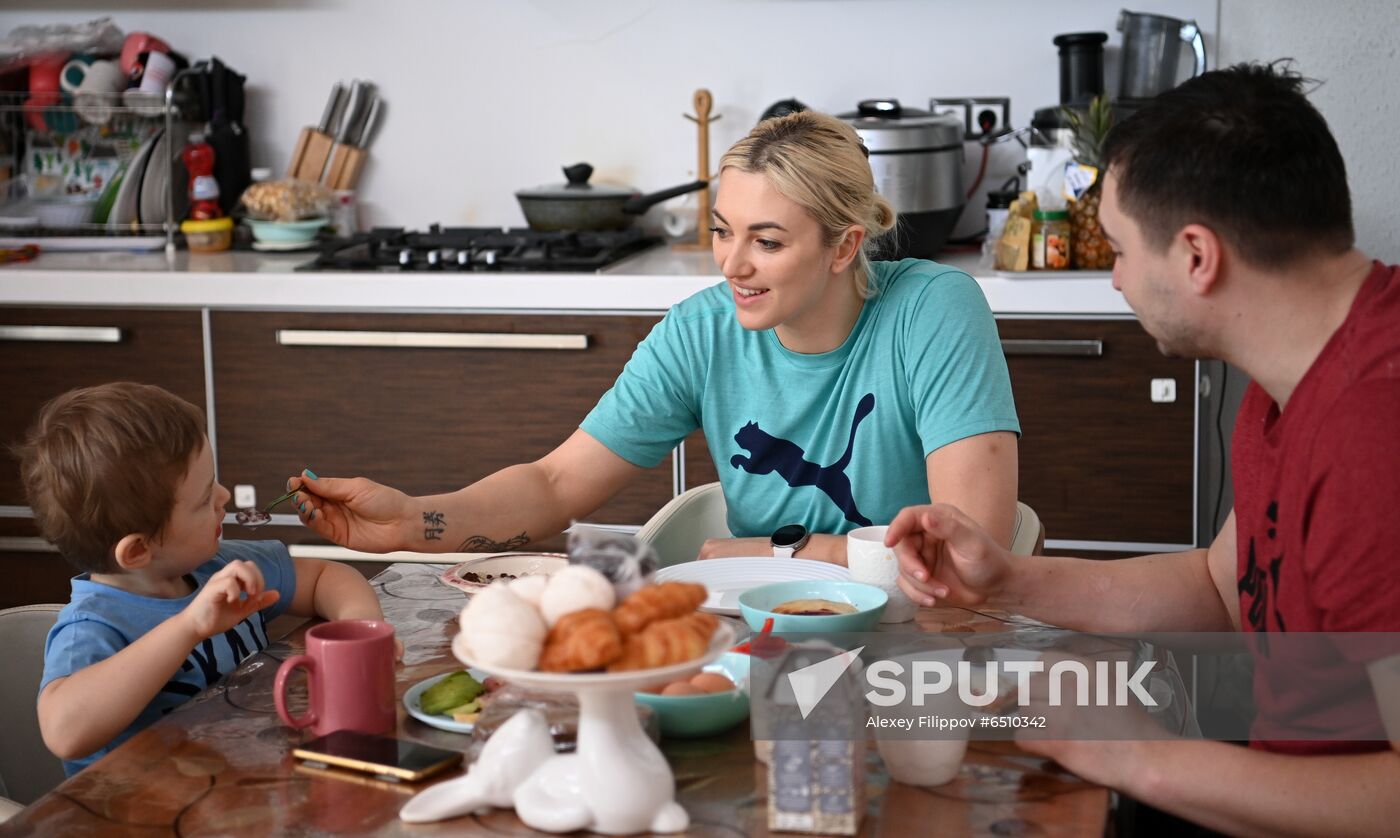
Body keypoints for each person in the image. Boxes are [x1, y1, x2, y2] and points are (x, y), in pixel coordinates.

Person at [886, 62, 1400, 835]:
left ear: (1197, 257)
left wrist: (1133, 755)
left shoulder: (1375, 438)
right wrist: (1007, 582)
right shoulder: (1294, 363)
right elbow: (1219, 587)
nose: (1117, 281)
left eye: (1120, 250)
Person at [289, 111, 1021, 564]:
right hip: (761, 638)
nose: (732, 265)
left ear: (842, 247)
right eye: (722, 232)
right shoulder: (702, 330)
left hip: (916, 641)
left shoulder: (934, 311)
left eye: (766, 241)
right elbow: (553, 485)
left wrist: (782, 551)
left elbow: (969, 551)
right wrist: (414, 519)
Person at [17, 382, 391, 775]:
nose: (225, 496)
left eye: (214, 481)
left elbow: (326, 578)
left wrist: (365, 633)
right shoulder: (92, 628)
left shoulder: (216, 565)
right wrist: (188, 627)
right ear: (138, 551)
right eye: (203, 499)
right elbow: (64, 732)